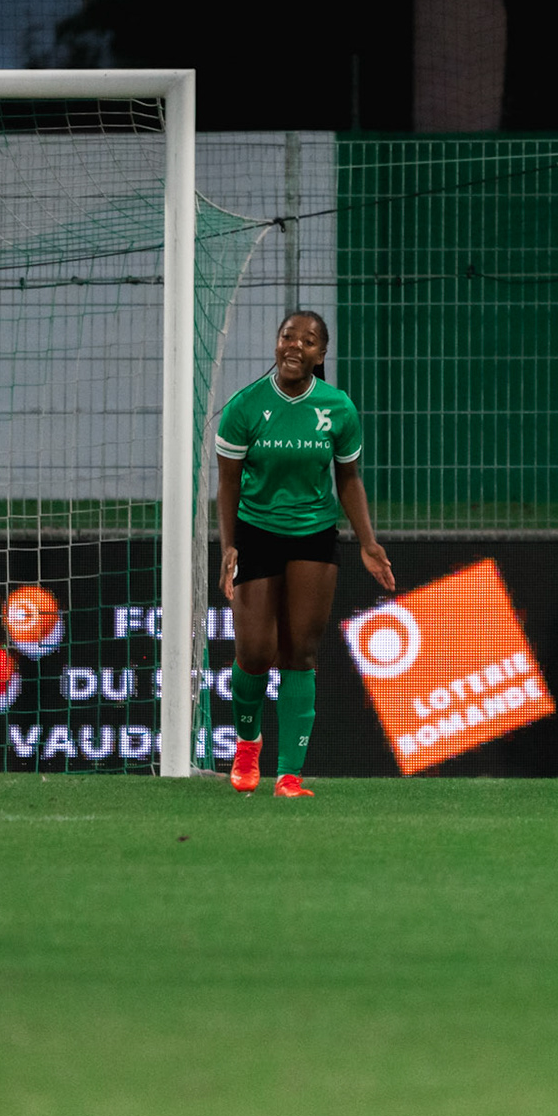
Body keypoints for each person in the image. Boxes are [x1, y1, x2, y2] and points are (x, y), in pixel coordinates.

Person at [215, 311, 393, 797]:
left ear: (321, 355)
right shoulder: (245, 406)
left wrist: (368, 542)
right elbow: (228, 483)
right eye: (287, 336)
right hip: (257, 532)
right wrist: (229, 545)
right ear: (277, 344)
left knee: (300, 653)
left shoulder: (338, 408)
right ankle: (247, 744)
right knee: (255, 652)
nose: (295, 345)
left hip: (314, 534)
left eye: (308, 341)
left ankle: (289, 775)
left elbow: (348, 479)